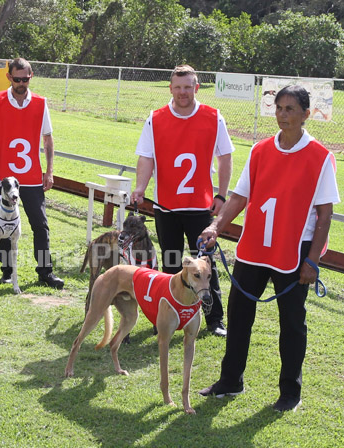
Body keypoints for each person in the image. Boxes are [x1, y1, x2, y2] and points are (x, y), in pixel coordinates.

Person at [198, 85, 340, 412]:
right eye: (278, 108)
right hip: (255, 249)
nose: (282, 115)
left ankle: (290, 392)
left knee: (291, 322)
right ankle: (230, 381)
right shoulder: (260, 150)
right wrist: (215, 226)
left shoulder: (320, 157)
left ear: (306, 114)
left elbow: (325, 215)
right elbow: (239, 197)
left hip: (294, 252)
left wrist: (312, 261)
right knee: (239, 315)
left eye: (290, 109)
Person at [130, 64, 233, 336]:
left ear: (196, 87)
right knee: (172, 264)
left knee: (206, 266)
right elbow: (146, 157)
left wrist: (222, 194)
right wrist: (140, 187)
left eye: (188, 87)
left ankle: (214, 320)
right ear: (170, 88)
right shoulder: (155, 118)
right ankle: (171, 316)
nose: (182, 92)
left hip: (200, 207)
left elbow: (225, 157)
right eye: (178, 87)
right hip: (167, 206)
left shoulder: (213, 117)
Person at [0, 57, 64, 289]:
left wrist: (49, 171)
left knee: (40, 225)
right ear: (9, 77)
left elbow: (48, 139)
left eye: (25, 79)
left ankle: (45, 272)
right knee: (2, 224)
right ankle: (6, 271)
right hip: (3, 178)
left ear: (31, 76)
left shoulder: (40, 103)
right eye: (17, 79)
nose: (21, 83)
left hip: (32, 177)